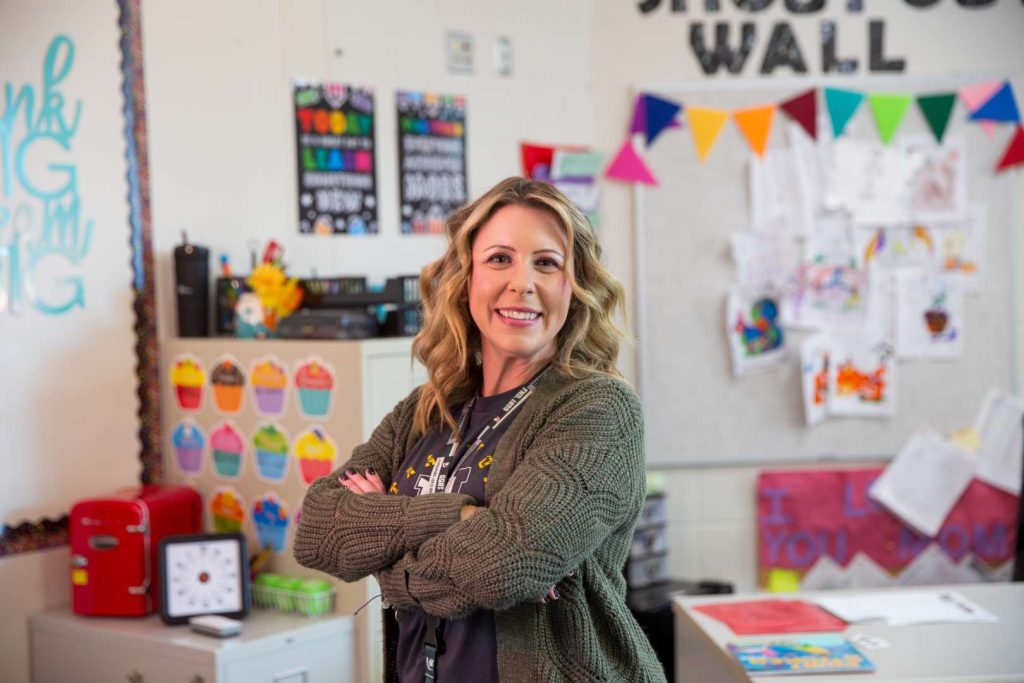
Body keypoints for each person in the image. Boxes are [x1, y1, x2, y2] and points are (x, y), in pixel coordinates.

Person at [293, 177, 665, 683]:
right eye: (499, 259)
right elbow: (318, 528)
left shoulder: (598, 409)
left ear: (573, 287)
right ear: (466, 278)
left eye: (547, 263)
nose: (522, 282)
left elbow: (506, 563)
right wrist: (462, 515)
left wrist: (389, 562)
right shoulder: (427, 410)